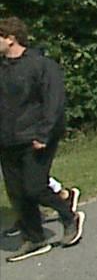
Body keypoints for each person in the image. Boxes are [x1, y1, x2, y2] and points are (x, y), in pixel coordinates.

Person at [0, 16, 82, 261]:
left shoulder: (41, 65)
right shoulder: (2, 69)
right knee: (17, 193)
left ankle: (69, 216)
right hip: (7, 139)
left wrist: (44, 133)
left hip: (35, 137)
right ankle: (34, 238)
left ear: (10, 39)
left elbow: (53, 102)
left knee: (34, 188)